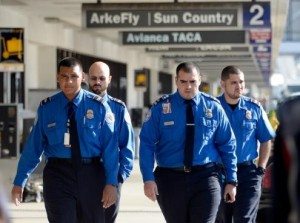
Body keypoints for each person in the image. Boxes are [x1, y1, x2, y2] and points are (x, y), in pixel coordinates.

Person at [11, 57, 119, 223]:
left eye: (73, 76)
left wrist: (112, 183)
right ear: (57, 77)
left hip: (91, 173)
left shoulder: (98, 107)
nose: (69, 81)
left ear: (82, 77)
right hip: (58, 175)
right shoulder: (47, 108)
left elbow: (110, 147)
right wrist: (20, 181)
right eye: (64, 76)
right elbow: (33, 148)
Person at [139, 62, 238, 223]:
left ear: (199, 80)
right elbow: (146, 144)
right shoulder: (161, 108)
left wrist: (231, 180)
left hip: (206, 177)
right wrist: (148, 179)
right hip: (170, 179)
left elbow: (228, 145)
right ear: (176, 81)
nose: (188, 86)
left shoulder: (213, 108)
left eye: (192, 81)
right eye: (183, 81)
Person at [217, 65, 275, 223]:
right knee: (222, 219)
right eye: (234, 82)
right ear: (223, 84)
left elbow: (266, 139)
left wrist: (261, 168)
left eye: (241, 82)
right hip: (219, 173)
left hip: (248, 173)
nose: (239, 86)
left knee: (245, 218)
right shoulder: (213, 108)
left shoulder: (254, 108)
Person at [88, 61, 135, 223]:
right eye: (93, 78)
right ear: (87, 78)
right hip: (84, 174)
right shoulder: (78, 106)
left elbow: (127, 148)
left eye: (102, 78)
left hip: (111, 176)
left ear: (109, 79)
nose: (97, 82)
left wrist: (118, 180)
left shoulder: (118, 108)